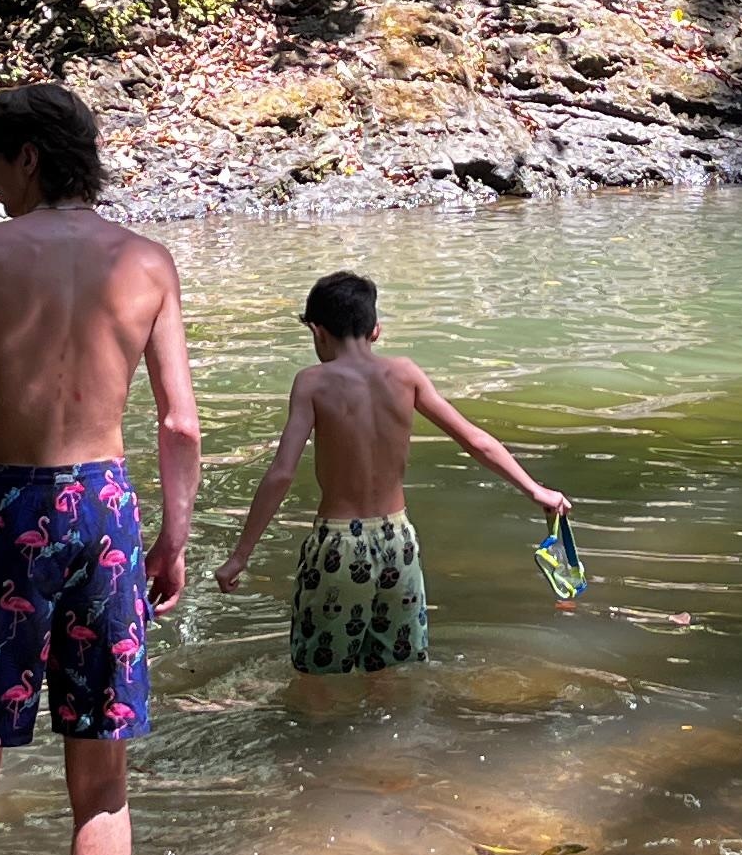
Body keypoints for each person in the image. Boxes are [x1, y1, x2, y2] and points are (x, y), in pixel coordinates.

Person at [0, 82, 201, 855]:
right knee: (103, 774)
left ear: (29, 158)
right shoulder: (148, 262)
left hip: (5, 508)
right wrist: (174, 541)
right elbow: (180, 424)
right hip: (105, 510)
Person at [208, 270, 570, 676]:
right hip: (399, 543)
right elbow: (475, 441)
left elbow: (281, 474)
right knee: (396, 675)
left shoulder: (312, 383)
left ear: (317, 330)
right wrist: (536, 490)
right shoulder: (406, 375)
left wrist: (239, 557)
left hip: (339, 548)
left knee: (319, 678)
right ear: (376, 330)